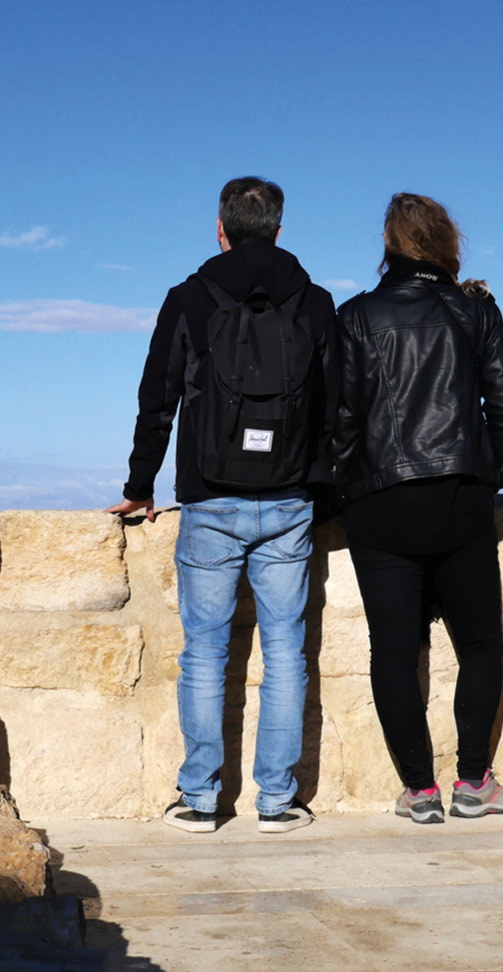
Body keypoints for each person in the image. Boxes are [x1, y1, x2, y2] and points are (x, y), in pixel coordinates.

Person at [107, 177, 336, 834]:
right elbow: (338, 406)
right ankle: (277, 801)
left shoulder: (189, 299)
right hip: (290, 499)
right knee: (287, 654)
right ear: (279, 231)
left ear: (220, 228)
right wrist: (325, 489)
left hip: (209, 499)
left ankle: (202, 800)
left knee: (205, 652)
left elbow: (157, 399)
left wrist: (141, 484)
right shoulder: (315, 303)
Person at [326, 193, 503, 825]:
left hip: (379, 506)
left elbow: (341, 420)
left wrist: (351, 489)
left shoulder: (356, 315)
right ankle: (473, 782)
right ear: (445, 242)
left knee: (392, 651)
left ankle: (420, 791)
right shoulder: (475, 311)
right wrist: (482, 473)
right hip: (460, 500)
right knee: (480, 644)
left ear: (388, 242)